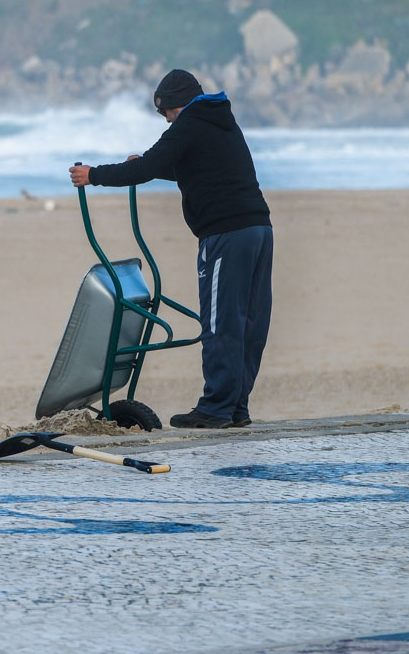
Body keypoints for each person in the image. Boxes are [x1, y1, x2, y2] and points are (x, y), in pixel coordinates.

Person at [69, 69, 273, 429]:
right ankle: (234, 406)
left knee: (220, 322)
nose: (165, 120)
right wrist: (151, 167)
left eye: (166, 113)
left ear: (177, 104)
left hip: (225, 233)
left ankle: (215, 408)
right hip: (258, 229)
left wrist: (93, 175)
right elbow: (197, 167)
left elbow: (148, 166)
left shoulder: (190, 123)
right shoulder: (221, 121)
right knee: (248, 324)